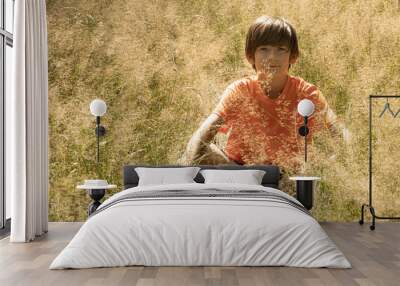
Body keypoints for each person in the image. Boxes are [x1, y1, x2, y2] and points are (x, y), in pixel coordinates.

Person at [181, 16, 350, 170]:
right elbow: (203, 134)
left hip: (286, 176)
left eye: (281, 49)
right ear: (250, 56)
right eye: (264, 49)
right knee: (199, 149)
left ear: (293, 56)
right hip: (240, 170)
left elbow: (341, 134)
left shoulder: (306, 93)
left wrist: (325, 169)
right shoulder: (240, 90)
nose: (272, 57)